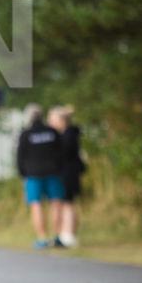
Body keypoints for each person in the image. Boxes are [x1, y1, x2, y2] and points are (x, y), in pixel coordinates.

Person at [16, 104, 64, 249]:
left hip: (33, 175)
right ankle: (57, 237)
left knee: (36, 205)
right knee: (56, 203)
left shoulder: (26, 134)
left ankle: (42, 238)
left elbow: (20, 157)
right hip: (53, 173)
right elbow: (61, 152)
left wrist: (23, 174)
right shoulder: (52, 132)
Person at [49, 106, 85, 248]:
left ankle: (68, 235)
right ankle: (67, 233)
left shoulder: (69, 135)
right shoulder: (66, 134)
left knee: (67, 204)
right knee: (66, 204)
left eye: (52, 120)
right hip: (67, 173)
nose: (50, 123)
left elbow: (65, 155)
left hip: (69, 174)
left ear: (61, 120)